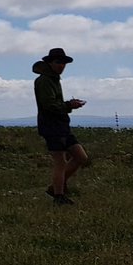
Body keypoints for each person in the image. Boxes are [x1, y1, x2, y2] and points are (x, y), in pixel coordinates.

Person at [32, 48, 89, 205]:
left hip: (61, 126)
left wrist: (69, 105)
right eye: (58, 62)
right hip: (52, 127)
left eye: (63, 63)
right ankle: (58, 196)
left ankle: (56, 187)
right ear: (50, 63)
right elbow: (49, 105)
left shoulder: (53, 79)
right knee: (60, 162)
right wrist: (69, 105)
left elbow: (54, 104)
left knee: (81, 157)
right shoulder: (44, 81)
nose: (62, 65)